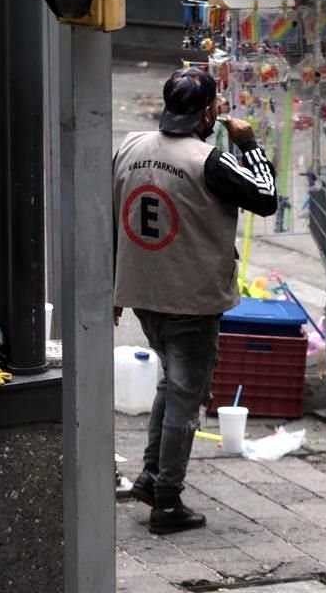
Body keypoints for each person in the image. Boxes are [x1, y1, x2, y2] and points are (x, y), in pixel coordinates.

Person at [113, 67, 277, 535]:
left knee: (173, 381)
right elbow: (266, 198)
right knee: (189, 395)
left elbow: (109, 210)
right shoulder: (211, 160)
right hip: (191, 297)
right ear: (209, 111)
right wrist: (248, 143)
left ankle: (150, 475)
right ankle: (167, 500)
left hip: (143, 290)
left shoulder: (131, 145)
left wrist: (112, 285)